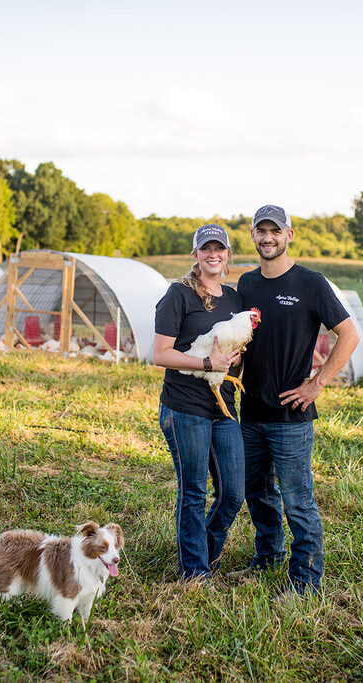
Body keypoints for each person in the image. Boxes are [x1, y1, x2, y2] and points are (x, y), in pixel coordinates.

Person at [231, 204, 360, 596]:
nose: (268, 238)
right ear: (253, 236)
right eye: (261, 231)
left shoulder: (311, 283)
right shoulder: (246, 284)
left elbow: (349, 335)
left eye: (276, 231)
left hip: (291, 415)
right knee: (257, 492)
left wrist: (316, 383)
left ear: (289, 235)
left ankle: (306, 580)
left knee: (297, 499)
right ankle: (267, 557)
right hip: (251, 412)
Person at [154, 224, 247, 582]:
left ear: (227, 255)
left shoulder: (233, 299)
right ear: (195, 255)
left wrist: (235, 357)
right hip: (185, 406)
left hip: (223, 407)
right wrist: (208, 363)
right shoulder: (178, 294)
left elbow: (232, 352)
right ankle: (195, 573)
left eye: (219, 248)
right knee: (193, 491)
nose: (213, 254)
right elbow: (161, 354)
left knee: (233, 493)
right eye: (206, 248)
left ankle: (203, 551)